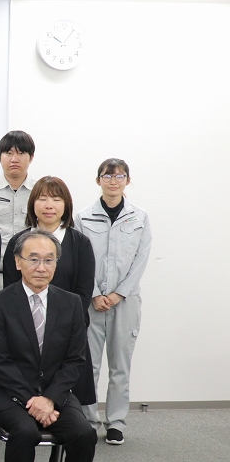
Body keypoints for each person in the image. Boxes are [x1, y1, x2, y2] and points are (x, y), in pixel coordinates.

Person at [0, 229, 97, 462]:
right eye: (33, 259)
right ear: (17, 262)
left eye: (49, 260)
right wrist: (31, 399)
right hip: (8, 393)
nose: (41, 267)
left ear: (57, 264)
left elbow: (74, 360)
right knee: (24, 431)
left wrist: (49, 398)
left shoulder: (71, 303)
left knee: (84, 434)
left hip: (55, 393)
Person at [3, 177, 97, 462]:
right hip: (25, 342)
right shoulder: (19, 242)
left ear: (66, 205)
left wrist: (65, 330)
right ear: (33, 204)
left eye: (56, 199)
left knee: (69, 412)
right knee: (27, 413)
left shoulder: (80, 243)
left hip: (65, 342)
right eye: (42, 198)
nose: (49, 205)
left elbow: (83, 293)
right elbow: (11, 294)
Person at [75, 158, 152, 446]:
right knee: (89, 365)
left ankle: (116, 423)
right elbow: (80, 259)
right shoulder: (83, 217)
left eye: (119, 176)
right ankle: (88, 421)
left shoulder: (139, 217)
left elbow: (141, 259)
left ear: (127, 181)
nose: (113, 181)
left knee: (120, 366)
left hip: (126, 301)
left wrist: (119, 293)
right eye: (107, 176)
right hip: (92, 301)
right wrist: (95, 293)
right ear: (98, 180)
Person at [0, 131, 37, 267]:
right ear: (0, 157)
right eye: (8, 153)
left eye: (21, 153)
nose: (14, 159)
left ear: (31, 157)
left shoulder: (40, 193)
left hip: (32, 269)